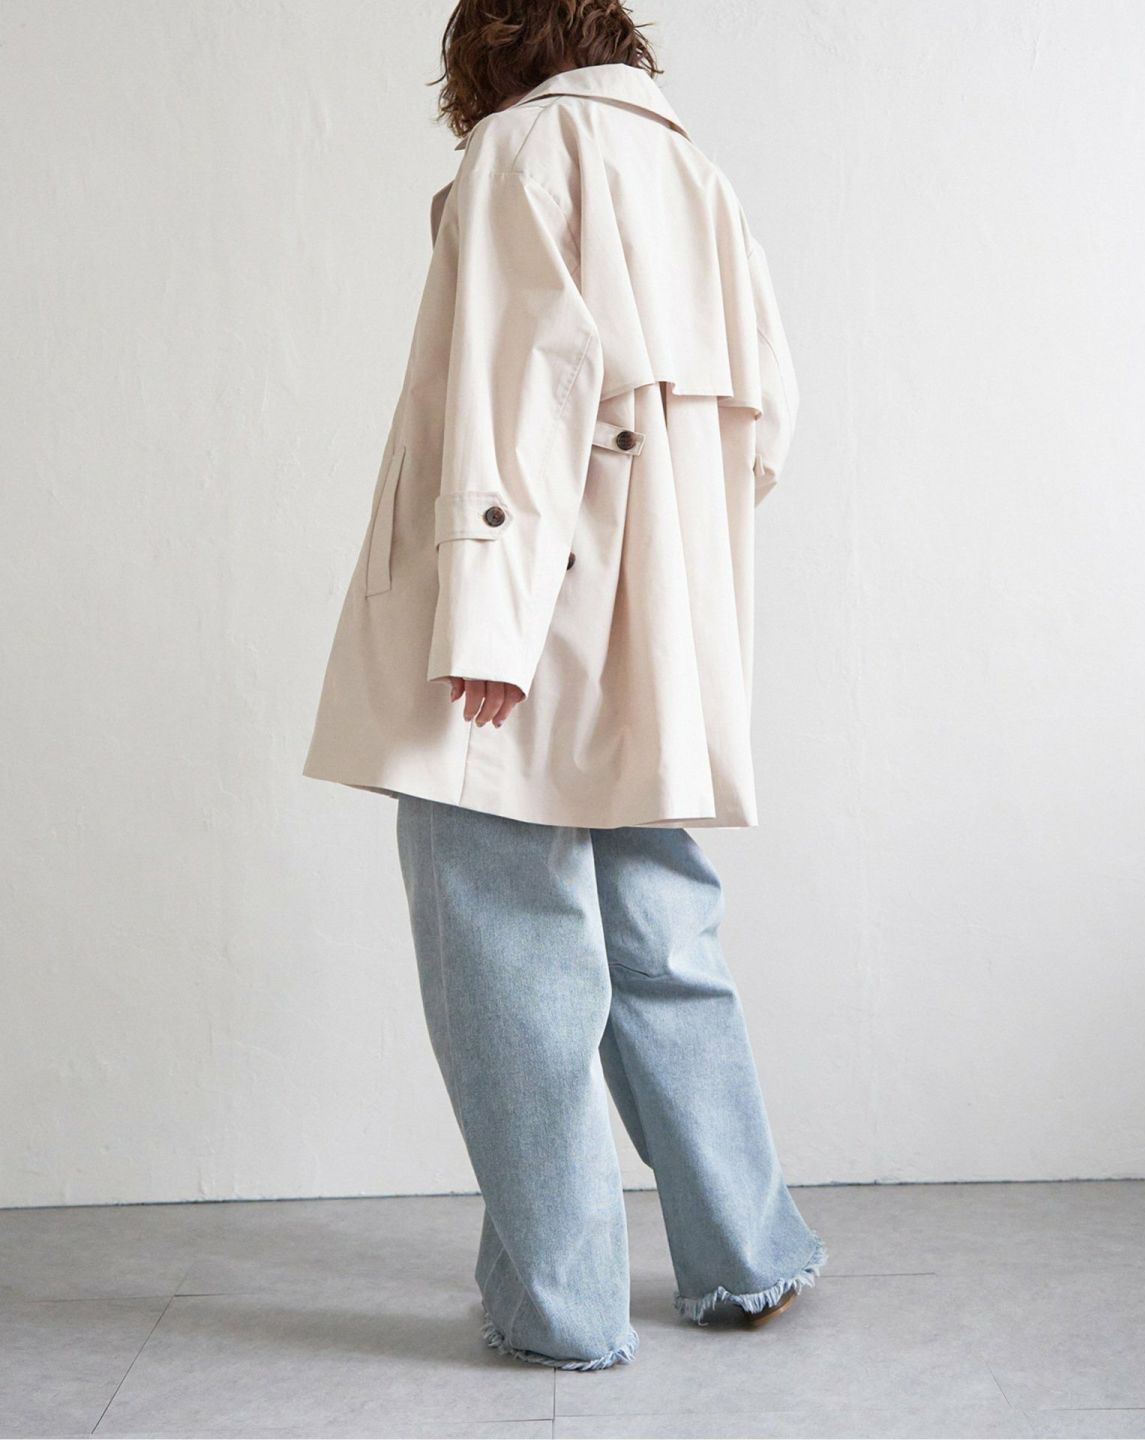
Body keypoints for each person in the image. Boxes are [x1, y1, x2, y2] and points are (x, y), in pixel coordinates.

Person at [303, 0, 826, 1370]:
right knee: (659, 935)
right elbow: (770, 416)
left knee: (507, 956)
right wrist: (673, 567)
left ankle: (562, 1304)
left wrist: (489, 619)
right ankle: (748, 1252)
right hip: (659, 631)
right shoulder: (697, 173)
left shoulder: (524, 151)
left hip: (526, 624)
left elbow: (517, 385)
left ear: (490, 47)